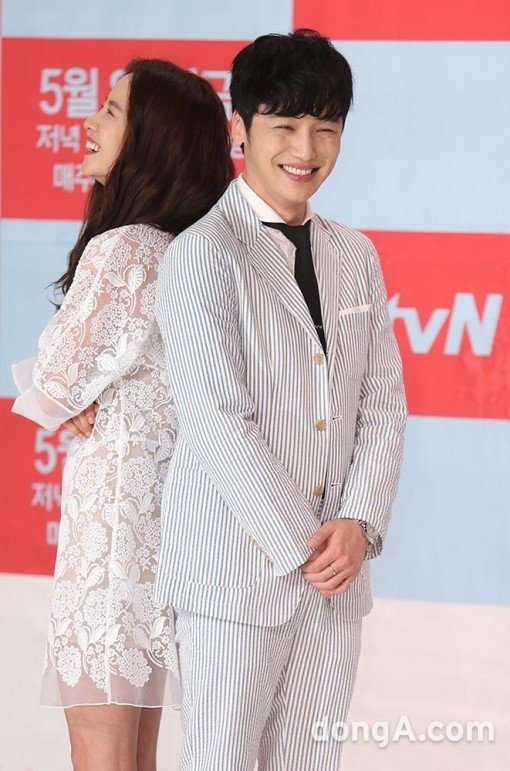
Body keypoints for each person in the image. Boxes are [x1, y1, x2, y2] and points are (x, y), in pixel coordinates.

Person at [154, 30, 407, 770]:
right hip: (233, 572)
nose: (306, 149)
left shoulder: (355, 254)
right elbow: (216, 419)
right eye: (286, 125)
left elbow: (383, 406)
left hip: (336, 579)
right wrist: (309, 546)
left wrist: (359, 524)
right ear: (240, 129)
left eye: (325, 128)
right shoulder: (201, 254)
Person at [11, 58, 234, 771]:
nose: (89, 122)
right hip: (160, 542)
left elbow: (53, 384)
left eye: (111, 110)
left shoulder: (124, 248)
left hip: (110, 545)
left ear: (151, 139)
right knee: (135, 755)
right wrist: (66, 393)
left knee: (101, 756)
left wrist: (59, 392)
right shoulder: (186, 251)